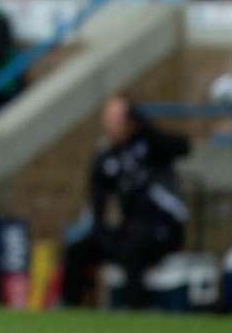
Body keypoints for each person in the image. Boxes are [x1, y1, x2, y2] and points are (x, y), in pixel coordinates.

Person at [62, 97, 189, 309]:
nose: (113, 124)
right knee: (78, 248)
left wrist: (143, 123)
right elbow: (98, 200)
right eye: (109, 118)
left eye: (118, 118)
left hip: (162, 229)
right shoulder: (107, 156)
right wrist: (99, 230)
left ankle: (134, 308)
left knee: (134, 245)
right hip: (129, 228)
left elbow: (183, 147)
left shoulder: (151, 145)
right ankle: (69, 305)